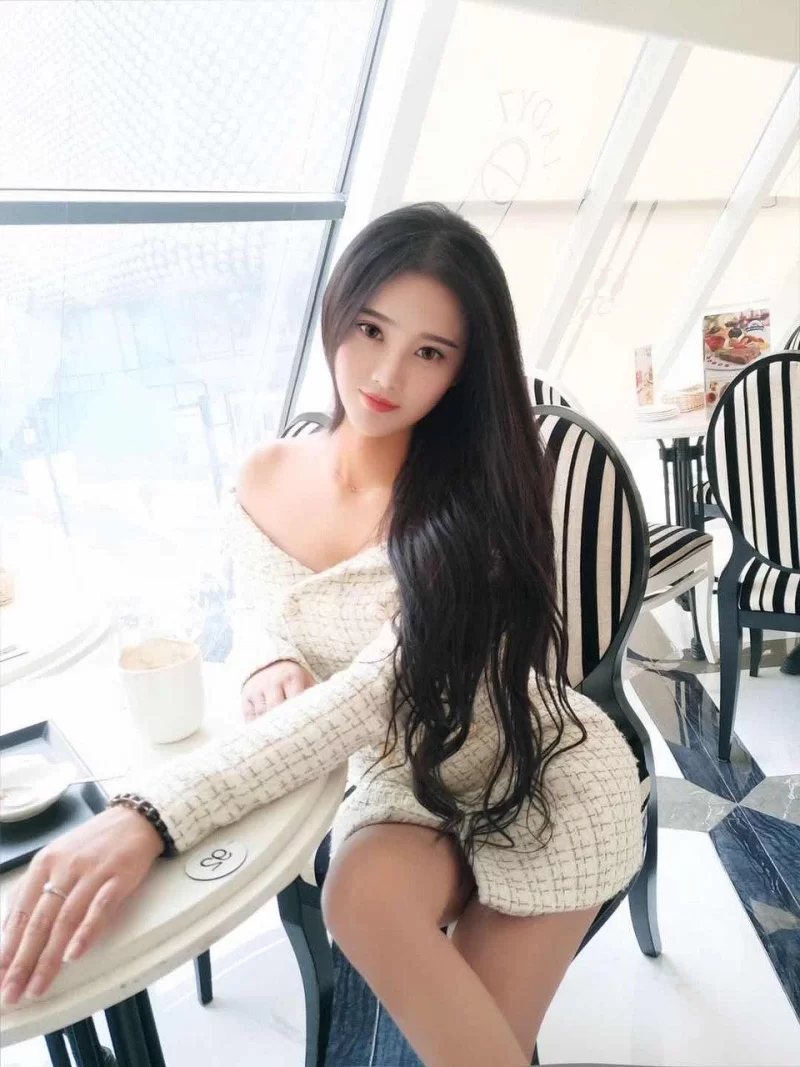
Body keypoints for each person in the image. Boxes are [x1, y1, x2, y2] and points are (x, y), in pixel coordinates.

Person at [0, 203, 644, 1067]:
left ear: (463, 370)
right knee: (356, 894)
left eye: (429, 352)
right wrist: (271, 655)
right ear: (337, 309)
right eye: (371, 329)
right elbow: (269, 598)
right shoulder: (266, 474)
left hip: (540, 768)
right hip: (408, 776)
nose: (384, 373)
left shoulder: (470, 508)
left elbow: (372, 695)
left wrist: (149, 813)